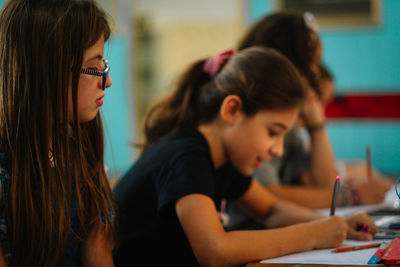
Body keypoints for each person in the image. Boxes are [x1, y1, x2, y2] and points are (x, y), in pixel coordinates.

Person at [113, 47, 377, 267]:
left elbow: (271, 210)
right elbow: (215, 250)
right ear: (232, 110)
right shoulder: (186, 156)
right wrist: (313, 234)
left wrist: (334, 224)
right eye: (274, 132)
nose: (278, 150)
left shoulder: (224, 161)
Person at [229, 11, 391, 213]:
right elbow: (265, 195)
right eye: (311, 65)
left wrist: (317, 126)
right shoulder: (255, 117)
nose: (315, 74)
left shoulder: (285, 119)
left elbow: (321, 186)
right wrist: (352, 196)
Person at [0, 0, 116, 266]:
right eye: (95, 66)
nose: (107, 80)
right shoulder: (5, 174)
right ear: (46, 71)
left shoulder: (81, 155)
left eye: (104, 64)